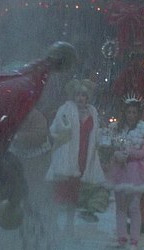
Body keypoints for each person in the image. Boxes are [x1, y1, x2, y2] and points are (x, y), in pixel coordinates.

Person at [46, 79, 107, 234]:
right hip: (68, 156)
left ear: (88, 97)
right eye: (78, 94)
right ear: (74, 96)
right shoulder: (65, 109)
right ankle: (53, 226)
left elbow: (96, 135)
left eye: (84, 95)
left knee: (74, 194)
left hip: (84, 156)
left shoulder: (92, 112)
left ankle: (69, 227)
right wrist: (64, 129)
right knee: (60, 192)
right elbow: (55, 129)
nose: (80, 98)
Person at [105, 96, 144, 249]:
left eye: (134, 112)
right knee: (120, 206)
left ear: (138, 114)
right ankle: (121, 237)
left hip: (135, 170)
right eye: (128, 112)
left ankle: (134, 240)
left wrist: (129, 152)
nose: (131, 115)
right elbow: (111, 145)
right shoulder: (117, 129)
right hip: (119, 170)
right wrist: (116, 153)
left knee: (134, 206)